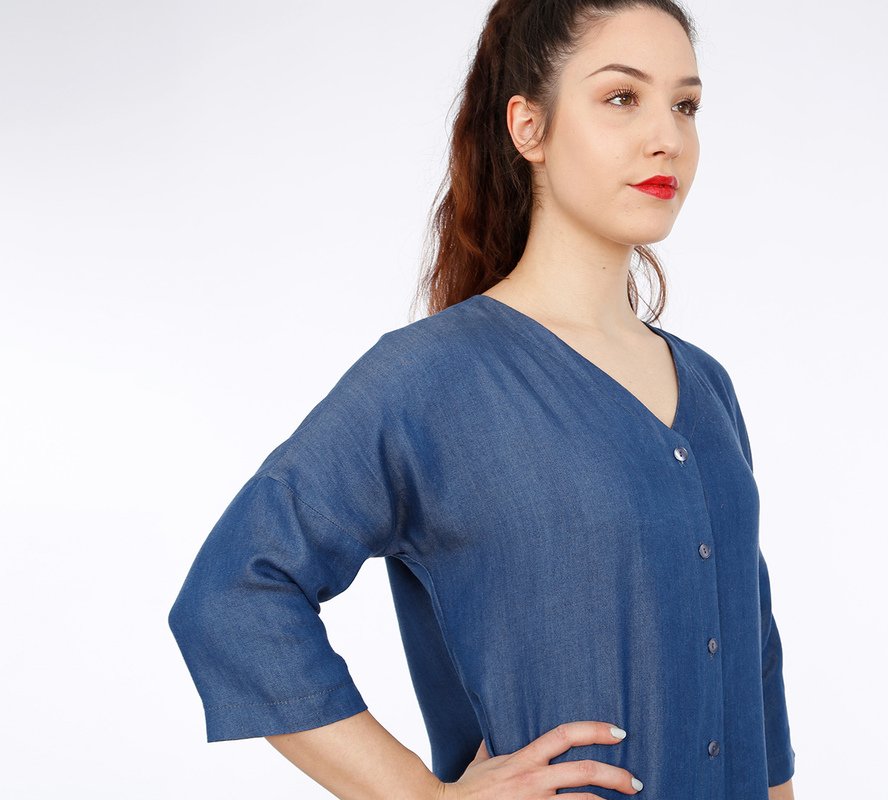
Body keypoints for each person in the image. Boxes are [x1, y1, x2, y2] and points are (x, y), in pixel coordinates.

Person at [168, 1, 798, 798]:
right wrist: (422, 796)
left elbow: (750, 652)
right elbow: (233, 596)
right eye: (621, 98)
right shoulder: (434, 379)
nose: (665, 136)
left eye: (685, 105)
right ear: (528, 127)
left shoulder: (705, 385)